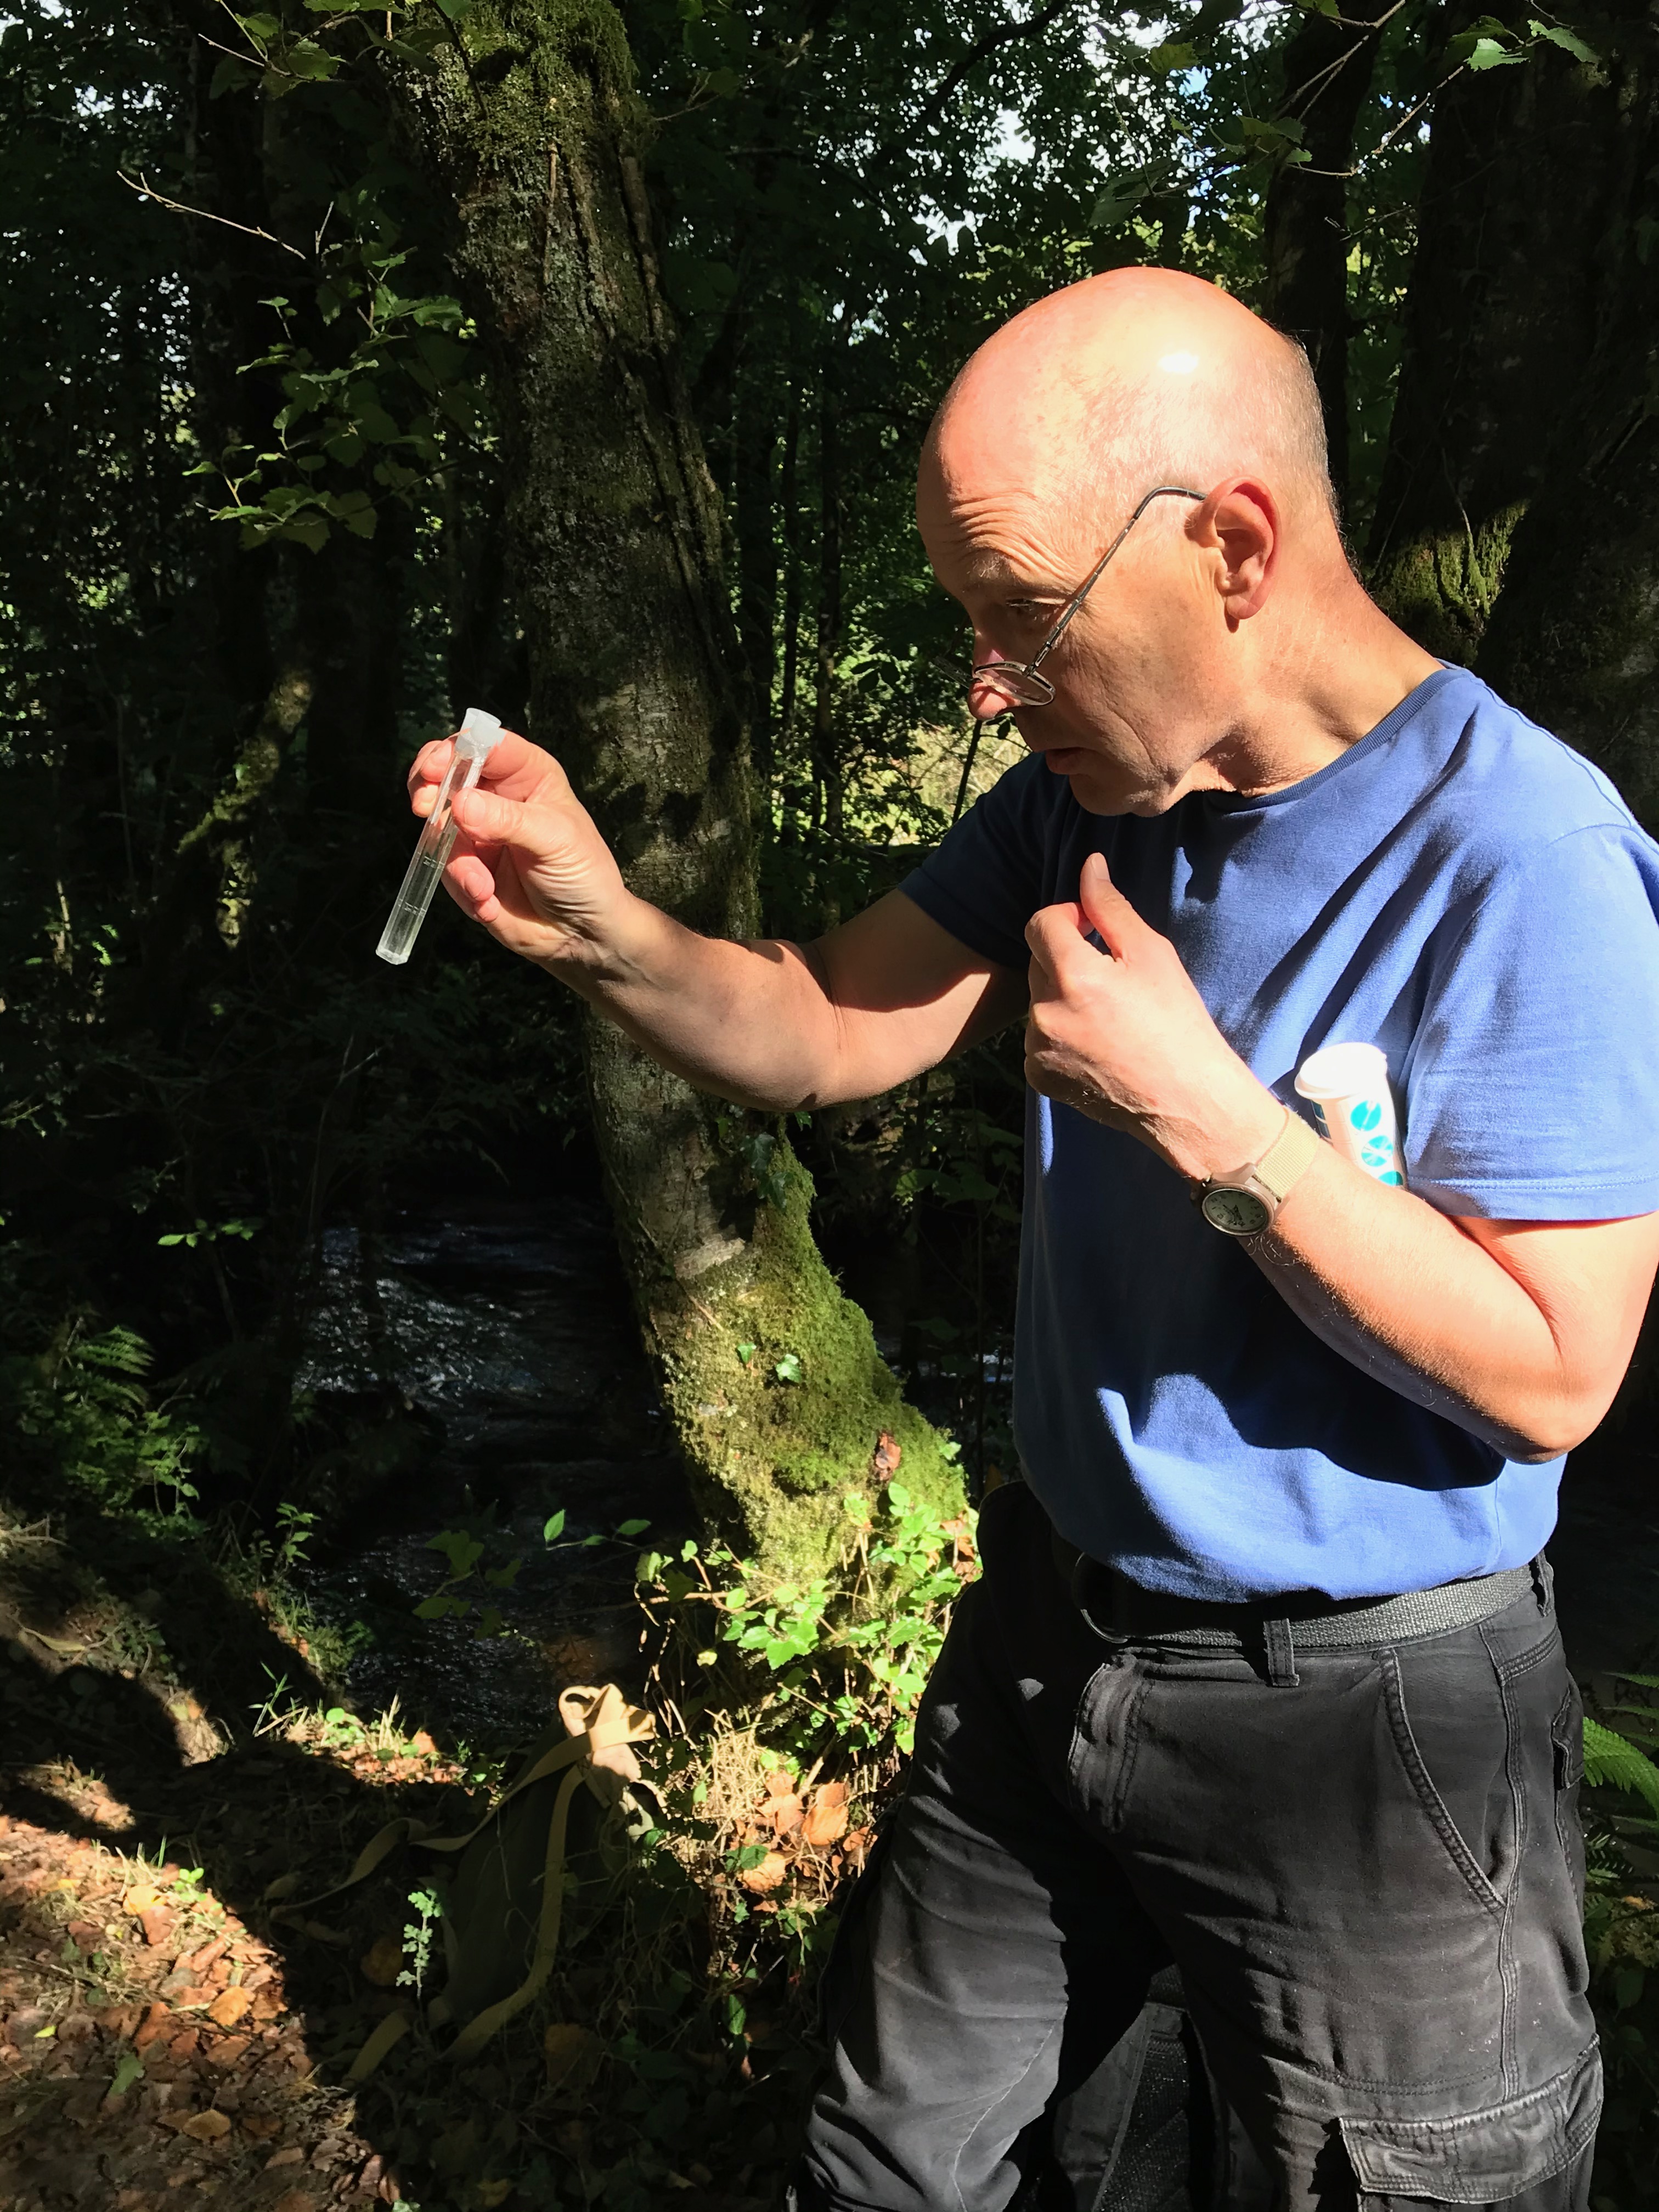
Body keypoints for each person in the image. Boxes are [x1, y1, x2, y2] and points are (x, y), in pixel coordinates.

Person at [401, 268, 1659, 2211]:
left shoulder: (1529, 859)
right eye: (969, 622)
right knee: (893, 2170)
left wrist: (1205, 1116)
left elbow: (1558, 1368)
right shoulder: (1089, 800)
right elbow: (823, 1025)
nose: (986, 681)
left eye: (1021, 616)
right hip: (1048, 1646)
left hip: (1378, 1728)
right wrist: (596, 921)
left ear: (1232, 547)